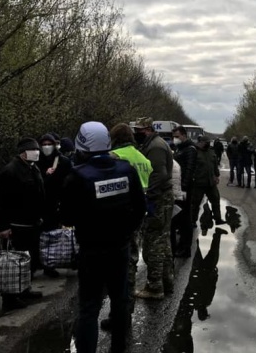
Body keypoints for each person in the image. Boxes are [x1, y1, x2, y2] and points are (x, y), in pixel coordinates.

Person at [61, 121, 146, 353]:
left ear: (82, 146)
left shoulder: (77, 176)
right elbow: (140, 208)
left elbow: (66, 217)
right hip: (120, 249)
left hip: (91, 251)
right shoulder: (126, 170)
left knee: (89, 308)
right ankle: (119, 348)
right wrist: (127, 233)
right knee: (120, 302)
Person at [104, 122, 153, 327]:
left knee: (120, 266)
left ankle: (120, 313)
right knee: (132, 259)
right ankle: (126, 309)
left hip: (119, 214)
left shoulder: (116, 157)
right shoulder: (143, 158)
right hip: (138, 213)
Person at [0, 138, 46, 311]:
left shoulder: (33, 168)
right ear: (23, 152)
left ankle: (24, 289)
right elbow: (0, 201)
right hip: (17, 225)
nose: (37, 152)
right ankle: (9, 298)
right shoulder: (10, 171)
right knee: (14, 262)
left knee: (29, 261)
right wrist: (3, 226)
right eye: (33, 149)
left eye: (37, 149)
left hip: (32, 224)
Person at [133, 117, 176, 300]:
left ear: (148, 129)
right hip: (161, 198)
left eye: (139, 131)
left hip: (158, 199)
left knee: (154, 244)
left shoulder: (156, 146)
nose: (137, 134)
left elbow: (159, 175)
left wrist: (148, 197)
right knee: (163, 243)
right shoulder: (154, 143)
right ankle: (167, 282)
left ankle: (155, 286)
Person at [37, 133, 72, 278]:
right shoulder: (37, 162)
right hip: (41, 204)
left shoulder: (63, 162)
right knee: (41, 236)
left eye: (49, 144)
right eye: (43, 144)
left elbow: (70, 182)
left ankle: (50, 264)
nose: (46, 147)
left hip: (58, 203)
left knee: (54, 235)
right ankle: (39, 263)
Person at [171, 126, 198, 258]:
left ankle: (185, 248)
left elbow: (189, 170)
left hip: (184, 190)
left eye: (177, 136)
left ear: (184, 135)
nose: (175, 139)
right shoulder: (180, 148)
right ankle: (180, 246)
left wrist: (183, 190)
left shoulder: (190, 150)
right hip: (178, 188)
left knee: (185, 220)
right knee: (179, 219)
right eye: (174, 136)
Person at [191, 135, 226, 226]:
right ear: (201, 142)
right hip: (199, 182)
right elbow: (191, 167)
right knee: (195, 203)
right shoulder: (194, 152)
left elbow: (214, 165)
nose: (208, 144)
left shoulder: (211, 152)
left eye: (208, 142)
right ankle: (192, 221)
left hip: (211, 182)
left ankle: (218, 219)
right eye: (206, 142)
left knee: (215, 200)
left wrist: (217, 175)